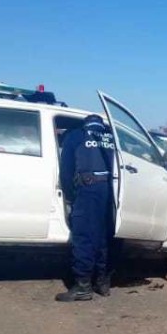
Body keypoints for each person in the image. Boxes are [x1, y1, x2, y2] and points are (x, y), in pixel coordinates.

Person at [56, 114, 118, 302]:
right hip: (111, 190)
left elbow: (66, 171)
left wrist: (71, 196)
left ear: (85, 123)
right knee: (104, 237)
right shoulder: (112, 137)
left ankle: (83, 286)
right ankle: (102, 282)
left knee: (83, 237)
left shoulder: (75, 136)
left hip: (88, 189)